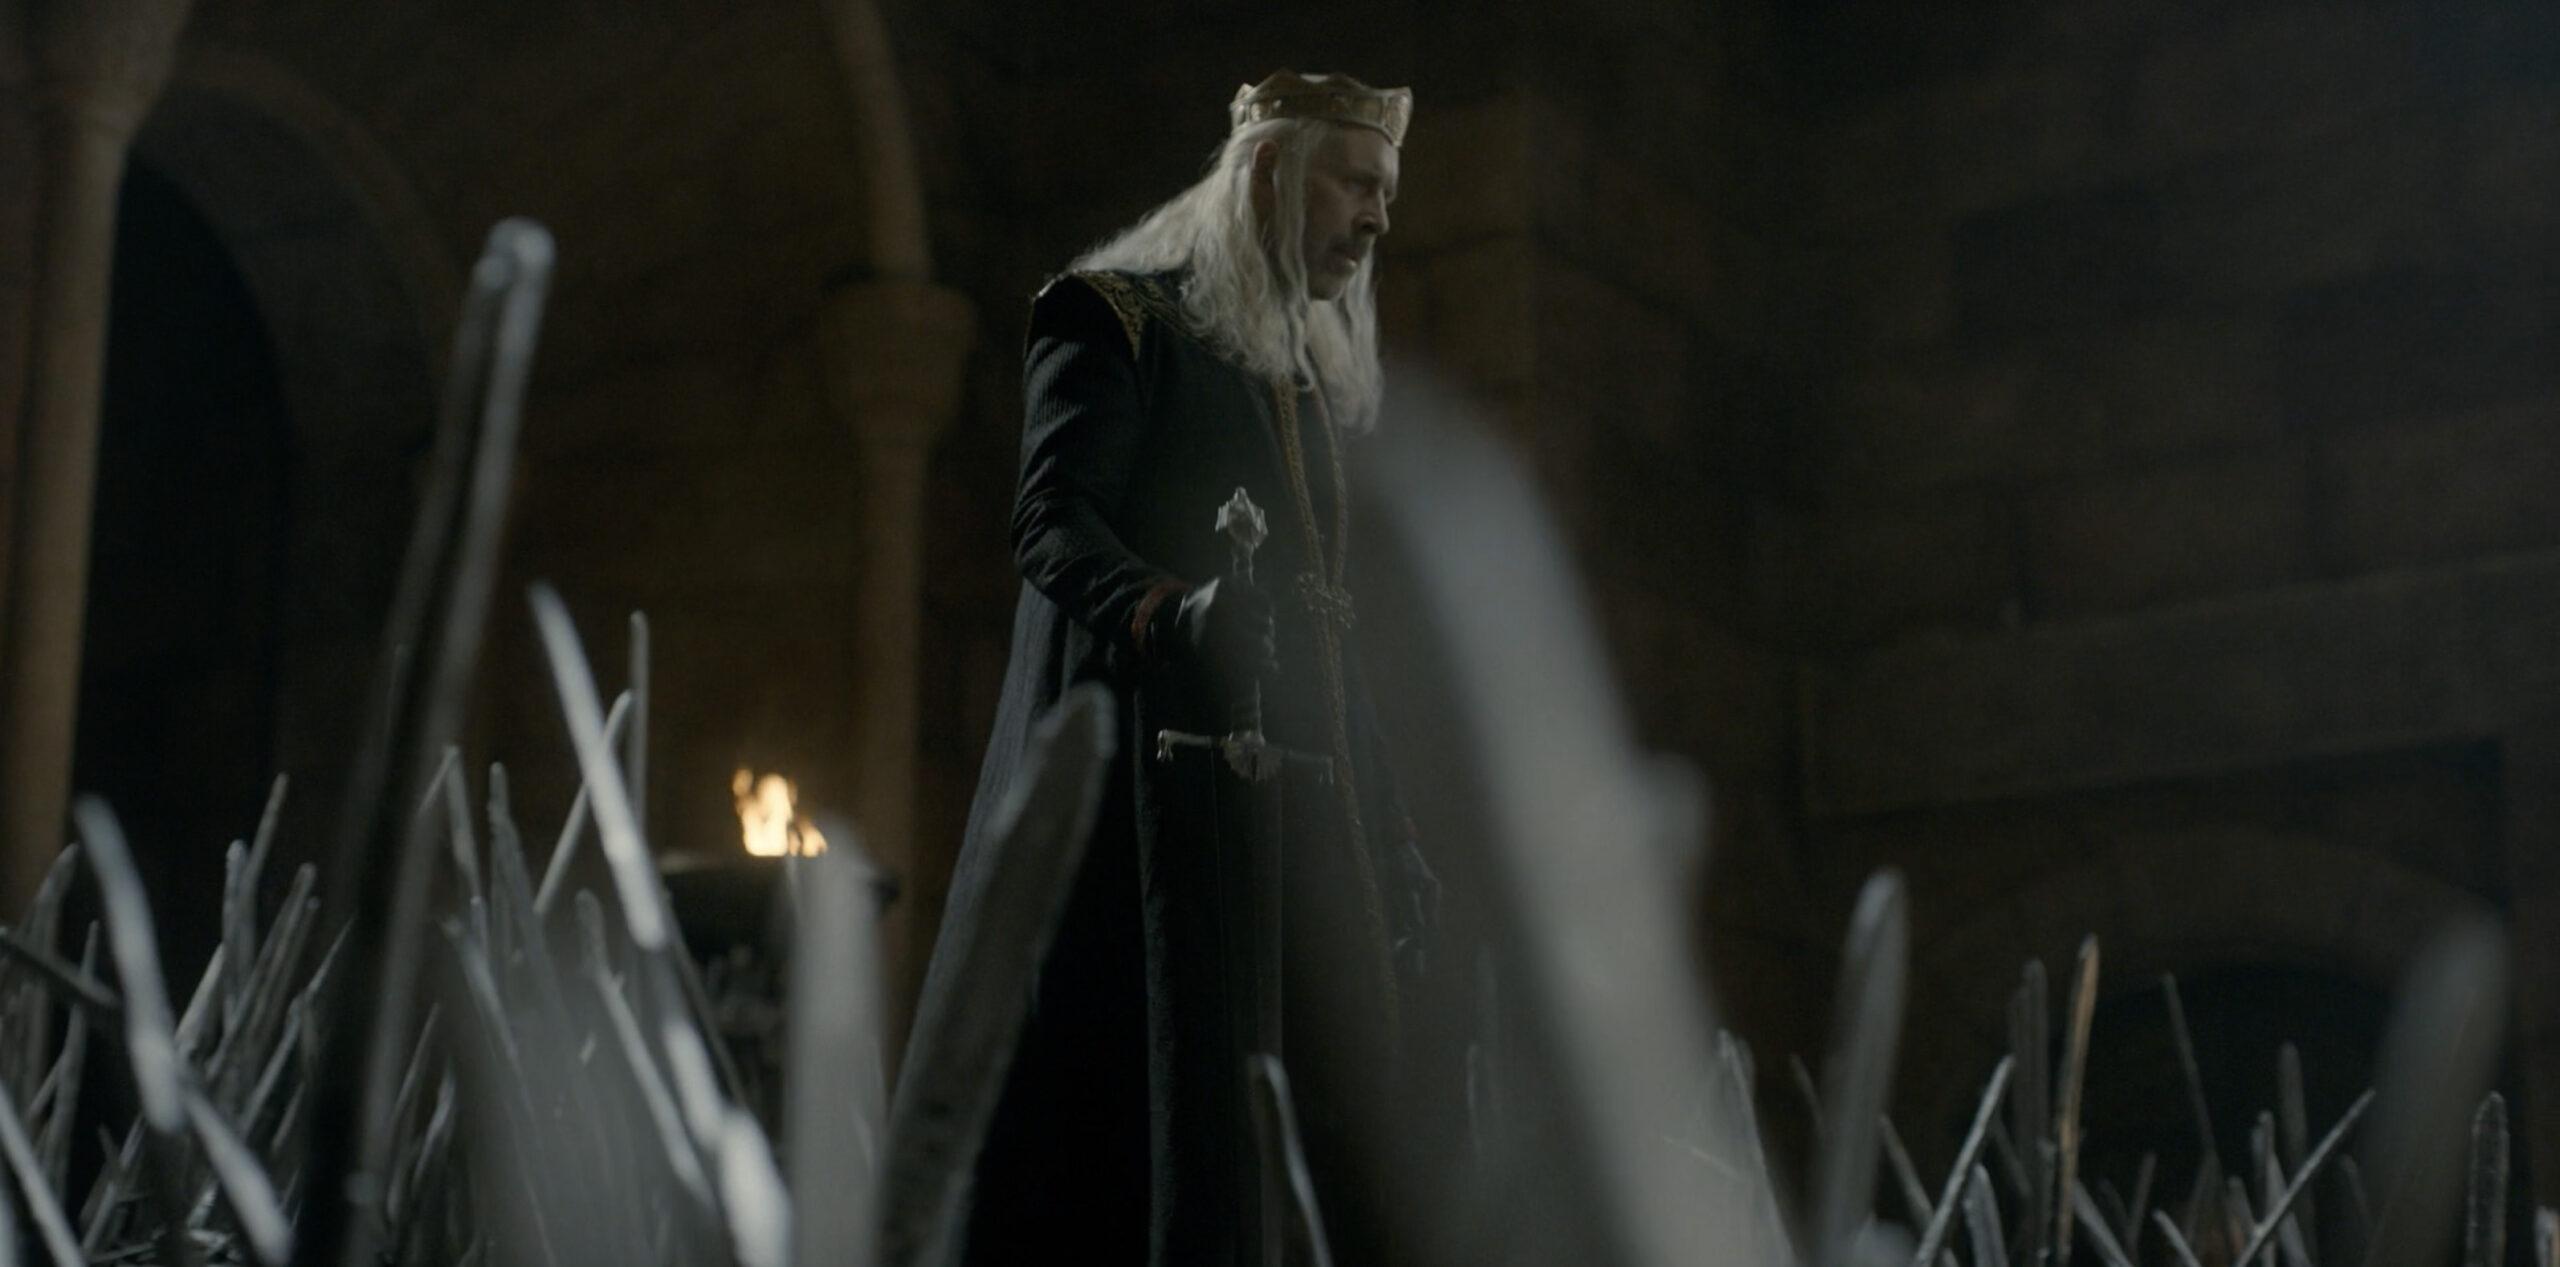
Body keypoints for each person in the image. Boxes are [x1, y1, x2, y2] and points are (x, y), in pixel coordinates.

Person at [922, 71, 1436, 1267]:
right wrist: (1169, 612)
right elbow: (1052, 523)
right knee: (1133, 1133)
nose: (1376, 219)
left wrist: (1389, 828)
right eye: (1355, 184)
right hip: (1146, 817)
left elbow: (1324, 635)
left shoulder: (1293, 386)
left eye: (1387, 193)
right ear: (1270, 174)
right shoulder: (1113, 319)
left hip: (1282, 845)